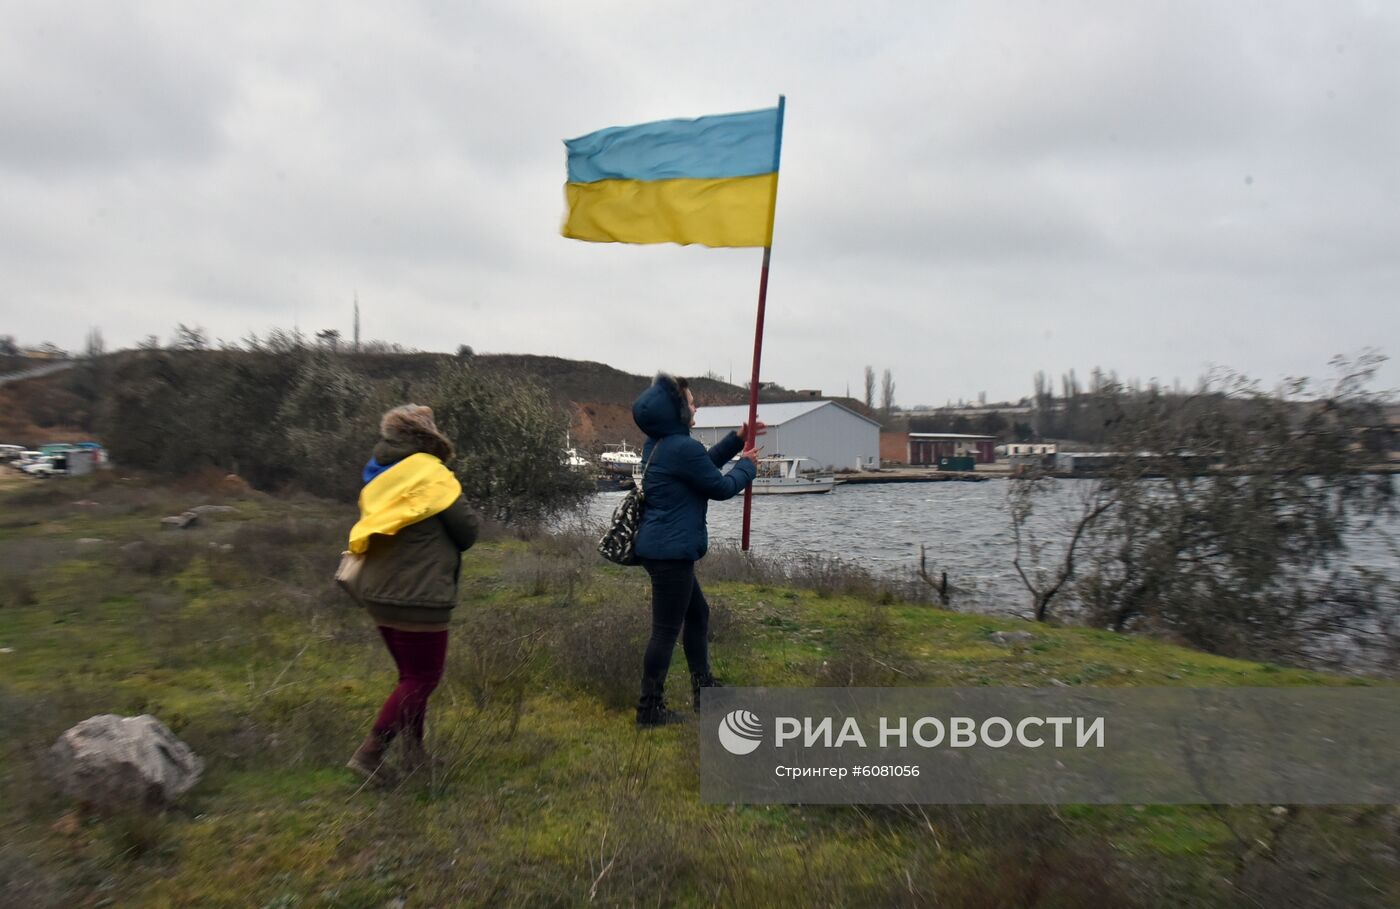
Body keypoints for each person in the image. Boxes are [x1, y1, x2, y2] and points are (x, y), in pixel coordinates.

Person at [345, 404, 480, 784]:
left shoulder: (377, 473)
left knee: (410, 676)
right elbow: (467, 531)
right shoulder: (431, 474)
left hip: (377, 590)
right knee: (423, 678)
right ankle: (371, 752)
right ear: (428, 437)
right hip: (419, 594)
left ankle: (414, 754)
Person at [630, 374, 763, 726]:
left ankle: (704, 692)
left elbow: (702, 467)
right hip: (670, 553)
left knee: (698, 615)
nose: (695, 406)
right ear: (676, 411)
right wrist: (747, 468)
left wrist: (736, 441)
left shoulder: (660, 443)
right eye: (690, 402)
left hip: (662, 548)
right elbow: (718, 486)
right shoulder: (680, 447)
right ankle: (649, 710)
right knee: (664, 631)